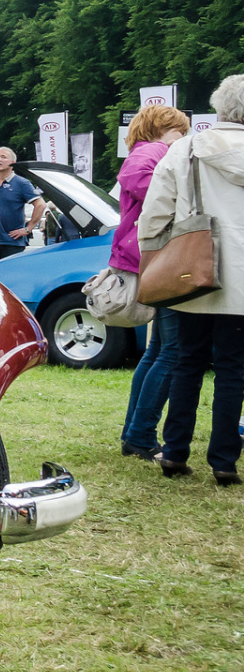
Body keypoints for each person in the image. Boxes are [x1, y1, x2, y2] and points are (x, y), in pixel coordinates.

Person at [140, 75, 244, 486]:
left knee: (188, 360)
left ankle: (175, 451)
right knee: (234, 368)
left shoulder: (185, 148)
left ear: (219, 106)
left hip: (193, 265)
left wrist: (152, 256)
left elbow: (155, 212)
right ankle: (224, 460)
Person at [114, 104, 191, 460]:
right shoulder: (153, 151)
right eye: (179, 131)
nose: (183, 138)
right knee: (171, 352)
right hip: (163, 258)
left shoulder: (144, 151)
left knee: (157, 350)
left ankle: (134, 431)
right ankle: (141, 435)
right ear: (162, 128)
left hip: (151, 259)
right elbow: (138, 181)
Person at [0, 147, 46, 260]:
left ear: (13, 162)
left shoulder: (21, 183)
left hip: (12, 242)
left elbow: (40, 205)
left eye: (3, 157)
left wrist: (28, 228)